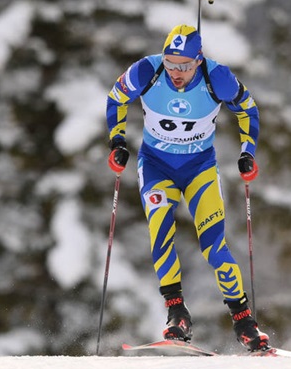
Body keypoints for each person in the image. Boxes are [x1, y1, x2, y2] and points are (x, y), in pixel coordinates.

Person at [105, 24, 269, 352]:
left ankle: (244, 321)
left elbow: (248, 109)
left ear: (198, 60)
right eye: (170, 63)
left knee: (213, 244)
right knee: (160, 233)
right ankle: (177, 314)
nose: (175, 72)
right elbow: (116, 98)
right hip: (155, 166)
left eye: (184, 65)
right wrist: (118, 140)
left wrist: (247, 152)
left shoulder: (217, 77)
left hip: (199, 169)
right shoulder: (146, 71)